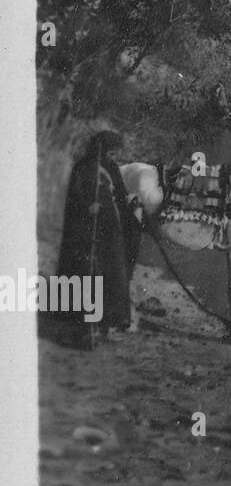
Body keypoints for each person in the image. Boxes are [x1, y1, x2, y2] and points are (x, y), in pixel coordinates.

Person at [40, 130, 140, 348]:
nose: (112, 156)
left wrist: (129, 201)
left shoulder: (111, 167)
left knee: (112, 276)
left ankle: (108, 323)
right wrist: (88, 207)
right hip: (88, 232)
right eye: (109, 151)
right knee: (90, 273)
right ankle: (82, 324)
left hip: (111, 232)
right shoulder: (83, 168)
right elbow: (75, 199)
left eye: (113, 153)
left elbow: (120, 193)